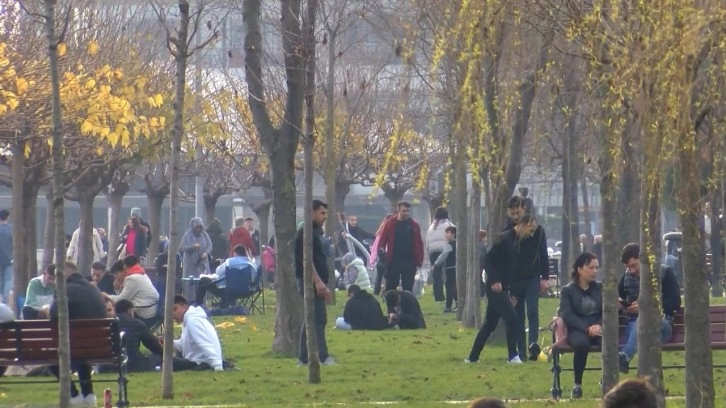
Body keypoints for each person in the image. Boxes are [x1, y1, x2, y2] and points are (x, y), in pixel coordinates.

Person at [49, 261, 107, 406]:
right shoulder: (93, 289)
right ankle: (88, 395)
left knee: (51, 357)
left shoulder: (63, 289)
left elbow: (53, 315)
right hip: (99, 345)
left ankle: (73, 395)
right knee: (81, 353)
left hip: (74, 345)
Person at [617, 243, 681, 374]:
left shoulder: (665, 273)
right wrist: (620, 304)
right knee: (639, 326)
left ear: (643, 259)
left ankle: (624, 356)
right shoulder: (626, 277)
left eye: (634, 265)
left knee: (644, 319)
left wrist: (645, 306)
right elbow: (618, 297)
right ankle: (624, 361)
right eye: (628, 267)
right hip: (633, 326)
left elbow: (675, 301)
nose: (632, 270)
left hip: (661, 325)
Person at [465, 222, 522, 364]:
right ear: (524, 225)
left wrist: (513, 292)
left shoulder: (516, 241)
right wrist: (495, 280)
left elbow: (512, 269)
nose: (532, 233)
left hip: (503, 286)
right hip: (495, 287)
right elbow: (488, 260)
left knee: (489, 324)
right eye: (531, 230)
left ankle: (472, 357)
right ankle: (513, 355)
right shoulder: (505, 239)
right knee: (512, 319)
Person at [295, 199, 334, 366]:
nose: (325, 217)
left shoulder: (316, 231)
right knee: (318, 319)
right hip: (310, 282)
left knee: (310, 319)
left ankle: (303, 358)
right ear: (312, 212)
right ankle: (323, 356)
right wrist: (318, 283)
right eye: (322, 213)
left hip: (315, 281)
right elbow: (306, 261)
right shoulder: (306, 233)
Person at [559, 252, 602, 399]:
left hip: (599, 328)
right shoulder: (567, 291)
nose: (595, 271)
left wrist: (599, 325)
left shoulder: (601, 288)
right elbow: (567, 314)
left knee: (608, 343)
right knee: (581, 344)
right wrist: (586, 328)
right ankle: (577, 385)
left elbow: (609, 311)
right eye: (591, 267)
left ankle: (606, 380)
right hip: (577, 329)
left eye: (597, 268)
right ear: (579, 269)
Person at [508, 213, 550, 361]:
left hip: (532, 276)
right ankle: (521, 351)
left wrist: (545, 277)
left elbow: (543, 254)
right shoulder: (511, 234)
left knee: (532, 311)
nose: (532, 233)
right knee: (518, 314)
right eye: (530, 230)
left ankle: (533, 345)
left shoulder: (539, 233)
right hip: (517, 277)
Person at [166, 295, 224, 371]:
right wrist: (168, 342)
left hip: (201, 363)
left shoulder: (192, 321)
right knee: (164, 359)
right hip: (198, 361)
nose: (173, 314)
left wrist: (218, 366)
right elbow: (184, 346)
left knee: (164, 361)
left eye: (175, 309)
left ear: (185, 307)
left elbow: (205, 344)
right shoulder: (188, 320)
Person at [377, 202, 424, 292]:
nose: (406, 213)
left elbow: (419, 243)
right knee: (391, 286)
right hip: (394, 260)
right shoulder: (389, 224)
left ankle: (407, 304)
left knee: (408, 287)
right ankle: (391, 304)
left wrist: (420, 259)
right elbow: (382, 240)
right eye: (403, 211)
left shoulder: (414, 225)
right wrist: (381, 252)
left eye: (407, 211)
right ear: (398, 211)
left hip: (410, 261)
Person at [107, 255, 160, 327]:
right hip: (149, 309)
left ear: (124, 270)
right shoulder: (138, 273)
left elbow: (122, 300)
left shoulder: (132, 278)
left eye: (116, 273)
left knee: (119, 316)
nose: (115, 277)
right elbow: (124, 300)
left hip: (145, 313)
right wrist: (117, 288)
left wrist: (106, 296)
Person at [115, 299, 163, 372]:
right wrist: (162, 353)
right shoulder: (137, 324)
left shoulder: (108, 323)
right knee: (155, 358)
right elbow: (154, 346)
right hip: (133, 365)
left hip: (110, 366)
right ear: (129, 310)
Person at [426, 207, 454, 303]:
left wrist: (428, 251)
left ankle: (438, 296)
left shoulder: (432, 227)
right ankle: (450, 294)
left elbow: (427, 241)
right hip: (445, 250)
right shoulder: (449, 225)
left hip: (433, 251)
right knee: (448, 273)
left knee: (436, 274)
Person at [433, 225, 458, 312]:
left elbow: (443, 256)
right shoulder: (458, 244)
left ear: (453, 234)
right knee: (455, 286)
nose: (445, 235)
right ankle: (458, 303)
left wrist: (436, 264)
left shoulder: (449, 245)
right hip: (457, 268)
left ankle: (448, 306)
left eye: (447, 233)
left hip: (450, 268)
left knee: (449, 287)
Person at [0, 209, 11, 303]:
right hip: (9, 259)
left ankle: (1, 299)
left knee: (1, 280)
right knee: (8, 279)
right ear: (7, 217)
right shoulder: (12, 229)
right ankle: (5, 299)